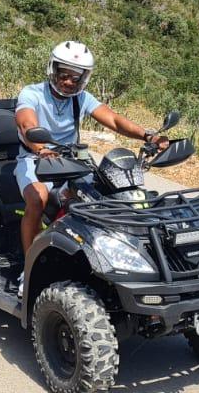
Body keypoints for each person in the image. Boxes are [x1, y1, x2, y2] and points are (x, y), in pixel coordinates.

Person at [14, 41, 169, 254]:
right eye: (64, 75)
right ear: (53, 70)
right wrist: (40, 148)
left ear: (83, 78)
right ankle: (28, 266)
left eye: (76, 77)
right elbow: (26, 124)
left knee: (106, 196)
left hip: (71, 161)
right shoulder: (32, 93)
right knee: (37, 199)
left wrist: (147, 135)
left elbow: (113, 120)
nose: (69, 82)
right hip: (35, 158)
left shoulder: (82, 98)